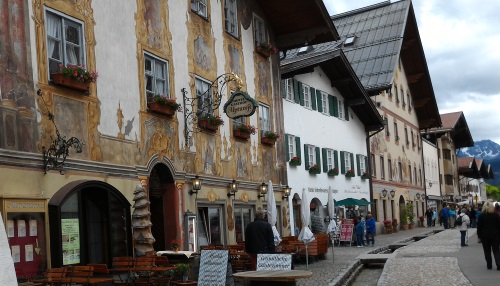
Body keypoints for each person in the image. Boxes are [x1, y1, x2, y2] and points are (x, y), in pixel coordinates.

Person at [477, 202, 500, 270]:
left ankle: (489, 264)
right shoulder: (496, 215)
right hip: (495, 235)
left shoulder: (481, 216)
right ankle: (498, 263)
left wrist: (479, 235)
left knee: (487, 251)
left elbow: (479, 227)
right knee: (496, 250)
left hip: (485, 236)